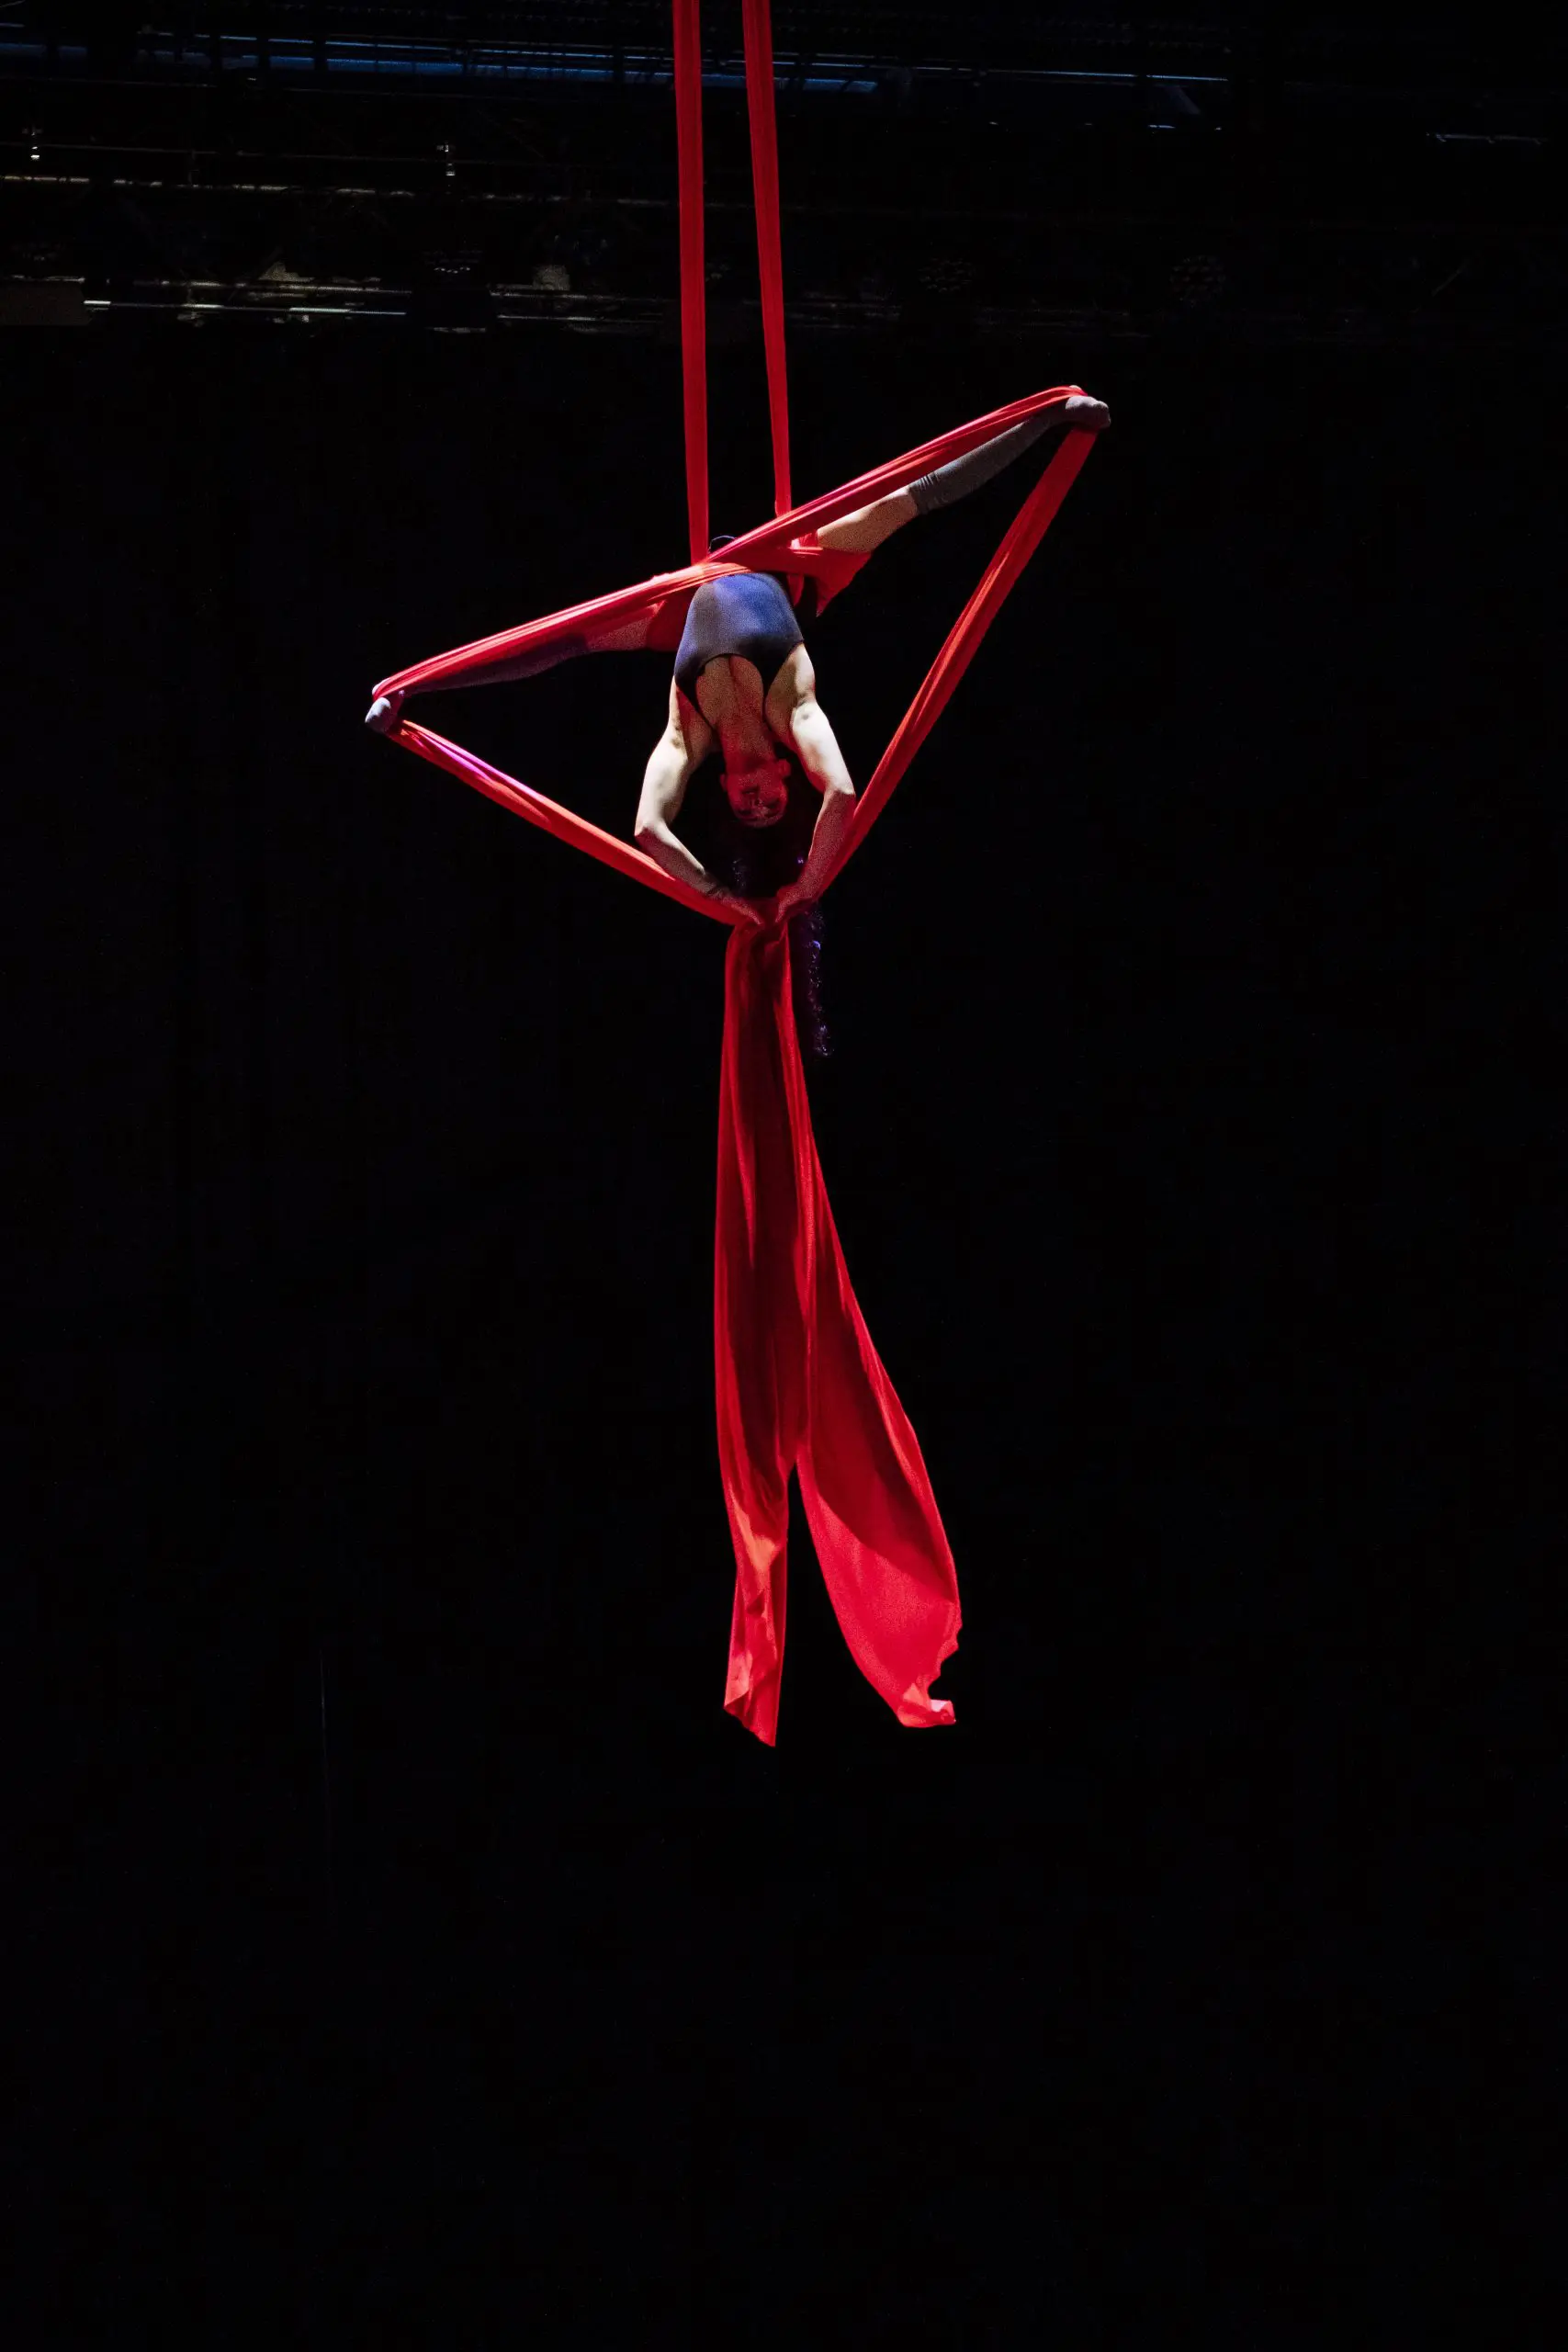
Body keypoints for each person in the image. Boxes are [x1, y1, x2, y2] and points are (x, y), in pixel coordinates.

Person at [367, 393, 1111, 933]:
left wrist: (724, 898)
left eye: (745, 810)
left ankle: (410, 690)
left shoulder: (684, 737)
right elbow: (844, 795)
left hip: (677, 613)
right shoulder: (797, 712)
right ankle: (1052, 416)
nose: (757, 805)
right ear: (782, 778)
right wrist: (803, 892)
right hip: (794, 570)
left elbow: (649, 829)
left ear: (726, 789)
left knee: (555, 645)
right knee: (901, 504)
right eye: (774, 807)